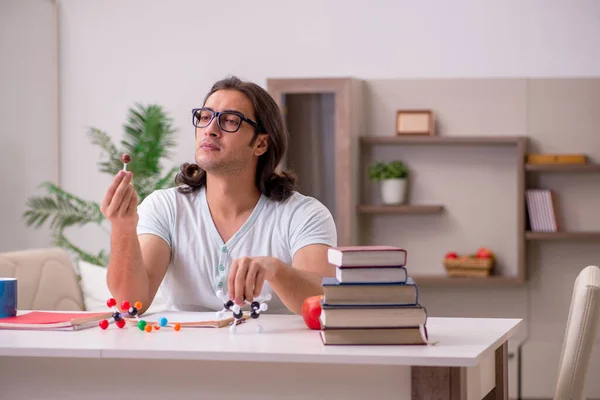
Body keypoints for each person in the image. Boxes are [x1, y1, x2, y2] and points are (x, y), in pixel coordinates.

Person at [101, 76, 337, 316]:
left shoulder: (305, 215)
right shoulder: (165, 207)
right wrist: (123, 227)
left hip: (271, 353)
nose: (211, 130)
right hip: (183, 351)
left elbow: (321, 303)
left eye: (230, 121)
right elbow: (130, 305)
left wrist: (276, 269)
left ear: (261, 144)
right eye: (205, 117)